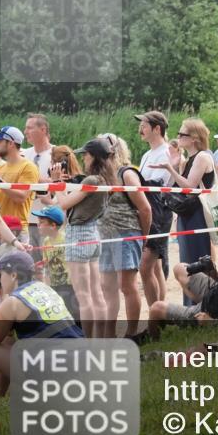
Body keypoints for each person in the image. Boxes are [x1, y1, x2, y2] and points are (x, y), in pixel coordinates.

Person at [0, 251, 82, 397]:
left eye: (0, 274)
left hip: (54, 372)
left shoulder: (12, 302)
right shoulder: (44, 288)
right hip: (77, 365)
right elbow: (5, 338)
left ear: (13, 275)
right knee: (8, 342)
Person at [147, 230, 218, 338]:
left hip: (208, 311)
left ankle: (152, 339)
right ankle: (178, 316)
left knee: (155, 308)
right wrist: (214, 274)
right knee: (180, 269)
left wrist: (212, 322)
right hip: (217, 292)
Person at [49, 139, 109, 337]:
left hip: (79, 234)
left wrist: (57, 183)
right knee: (96, 293)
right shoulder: (104, 179)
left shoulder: (91, 181)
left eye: (86, 155)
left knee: (84, 297)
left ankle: (88, 341)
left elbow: (63, 204)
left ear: (94, 157)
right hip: (92, 232)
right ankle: (101, 339)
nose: (83, 159)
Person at [151, 118, 217, 289]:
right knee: (187, 260)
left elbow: (189, 187)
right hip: (187, 215)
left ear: (194, 138)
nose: (178, 137)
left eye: (182, 134)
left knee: (196, 260)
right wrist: (175, 166)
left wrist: (170, 169)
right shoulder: (189, 159)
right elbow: (175, 188)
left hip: (198, 216)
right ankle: (192, 300)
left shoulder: (202, 157)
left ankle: (202, 299)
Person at [97, 134, 151, 340]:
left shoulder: (126, 173)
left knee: (127, 286)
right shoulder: (101, 175)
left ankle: (131, 333)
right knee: (107, 287)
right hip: (105, 236)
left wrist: (143, 237)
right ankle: (109, 333)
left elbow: (145, 209)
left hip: (126, 234)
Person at [0, 127, 36, 265]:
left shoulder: (28, 167)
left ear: (11, 143)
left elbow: (21, 197)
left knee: (15, 275)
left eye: (0, 141)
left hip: (16, 232)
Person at [135, 111, 173, 308]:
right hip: (148, 210)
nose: (140, 129)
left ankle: (155, 312)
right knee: (156, 266)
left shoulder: (167, 152)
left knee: (146, 267)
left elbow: (160, 185)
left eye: (144, 125)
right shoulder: (147, 154)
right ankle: (159, 311)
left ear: (157, 129)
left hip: (159, 212)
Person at [33, 206, 78, 321]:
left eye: (41, 222)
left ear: (53, 226)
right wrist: (41, 264)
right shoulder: (46, 241)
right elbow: (46, 261)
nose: (38, 225)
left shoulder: (65, 239)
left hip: (69, 284)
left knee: (73, 313)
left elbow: (74, 262)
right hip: (54, 285)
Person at [21, 114, 54, 262]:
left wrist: (33, 176)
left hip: (49, 221)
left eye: (29, 128)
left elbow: (63, 184)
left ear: (43, 129)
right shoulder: (23, 154)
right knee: (30, 265)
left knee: (49, 265)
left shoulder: (57, 154)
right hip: (26, 220)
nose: (25, 132)